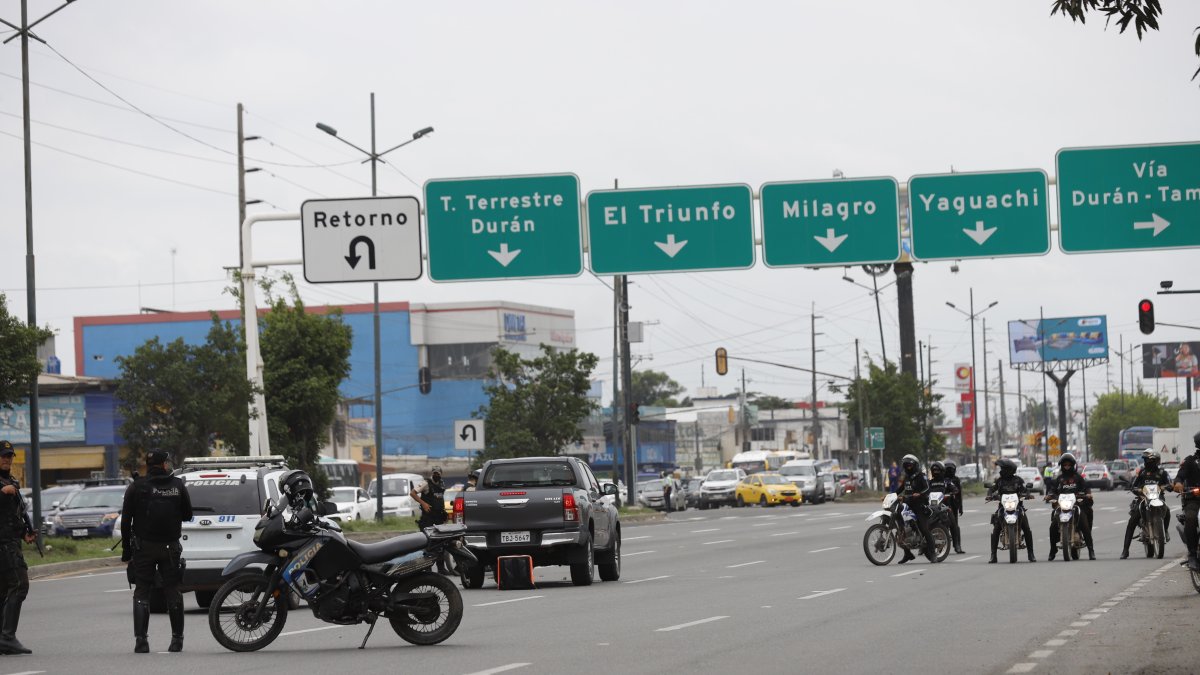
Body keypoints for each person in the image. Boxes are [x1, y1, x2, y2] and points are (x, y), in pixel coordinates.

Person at [121, 448, 193, 654]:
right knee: (173, 591)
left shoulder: (136, 487)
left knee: (142, 592)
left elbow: (126, 522)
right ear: (164, 465)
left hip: (143, 547)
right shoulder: (178, 485)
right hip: (170, 547)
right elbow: (188, 514)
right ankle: (177, 641)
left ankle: (141, 642)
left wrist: (127, 552)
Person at [0, 440, 35, 655]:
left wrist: (25, 532)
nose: (6, 459)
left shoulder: (10, 481)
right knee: (20, 585)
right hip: (3, 544)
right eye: (3, 455)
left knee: (3, 591)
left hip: (10, 541)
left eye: (9, 455)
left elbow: (13, 515)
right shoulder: (4, 485)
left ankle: (2, 638)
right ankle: (7, 637)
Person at [1121, 449, 1173, 559]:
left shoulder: (1162, 473)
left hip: (1158, 499)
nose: (1146, 462)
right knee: (1132, 521)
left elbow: (1170, 484)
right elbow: (1134, 485)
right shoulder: (1142, 473)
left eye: (1148, 460)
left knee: (1167, 512)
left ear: (1155, 461)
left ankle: (1165, 531)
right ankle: (1125, 550)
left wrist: (1167, 486)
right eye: (1145, 460)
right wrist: (1136, 489)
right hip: (1143, 500)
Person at [1045, 452, 1094, 561]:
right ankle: (1053, 549)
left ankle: (1091, 550)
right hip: (1062, 506)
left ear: (1072, 465)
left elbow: (1086, 488)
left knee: (1084, 524)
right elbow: (1053, 489)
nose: (1067, 467)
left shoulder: (1078, 478)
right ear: (1062, 466)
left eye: (1069, 465)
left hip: (1076, 505)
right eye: (1065, 465)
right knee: (1053, 527)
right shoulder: (1059, 479)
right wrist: (1049, 495)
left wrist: (1087, 494)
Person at [986, 458, 1036, 563]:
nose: (1001, 470)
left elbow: (1024, 489)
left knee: (1026, 528)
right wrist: (990, 495)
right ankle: (993, 555)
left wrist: (1027, 494)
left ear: (1009, 470)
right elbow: (992, 489)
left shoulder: (1018, 480)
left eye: (1003, 469)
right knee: (996, 529)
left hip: (1018, 507)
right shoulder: (999, 481)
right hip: (1002, 508)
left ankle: (1031, 554)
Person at [893, 454, 937, 564]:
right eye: (906, 466)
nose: (908, 468)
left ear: (915, 465)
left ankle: (932, 553)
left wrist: (920, 494)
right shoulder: (907, 477)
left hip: (920, 505)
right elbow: (901, 488)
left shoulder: (921, 476)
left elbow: (927, 488)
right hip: (907, 504)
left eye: (910, 466)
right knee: (901, 529)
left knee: (923, 528)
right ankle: (907, 554)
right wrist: (891, 495)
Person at [411, 466, 449, 573]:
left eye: (438, 473)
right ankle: (427, 569)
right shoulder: (425, 483)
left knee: (441, 543)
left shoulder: (442, 484)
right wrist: (423, 503)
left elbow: (441, 500)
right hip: (428, 518)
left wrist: (444, 514)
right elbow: (412, 493)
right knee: (429, 543)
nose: (436, 475)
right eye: (434, 473)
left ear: (441, 474)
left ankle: (441, 568)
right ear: (432, 474)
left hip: (439, 518)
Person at [1173, 431, 1200, 571]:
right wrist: (1178, 483)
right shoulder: (1190, 461)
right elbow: (1180, 476)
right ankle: (1192, 555)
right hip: (1194, 499)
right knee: (1190, 519)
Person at [943, 461, 965, 554]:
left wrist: (960, 507)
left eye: (950, 470)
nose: (949, 471)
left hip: (953, 505)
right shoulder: (940, 479)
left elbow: (959, 493)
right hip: (941, 504)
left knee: (954, 525)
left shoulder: (956, 480)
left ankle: (957, 545)